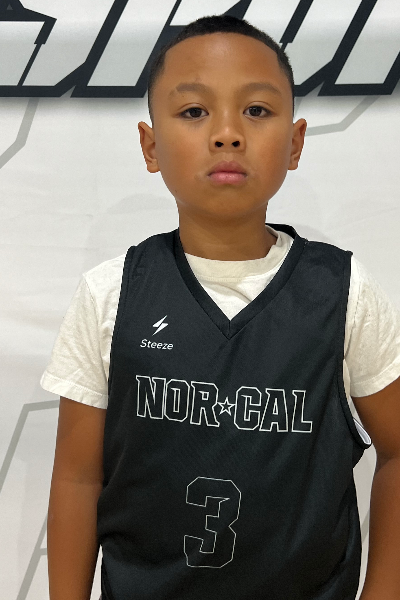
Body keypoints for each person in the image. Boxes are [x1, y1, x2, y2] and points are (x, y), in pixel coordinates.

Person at [41, 14, 400, 600]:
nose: (228, 133)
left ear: (295, 143)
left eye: (256, 110)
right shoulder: (112, 292)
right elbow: (78, 478)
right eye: (194, 111)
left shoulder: (343, 291)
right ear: (151, 146)